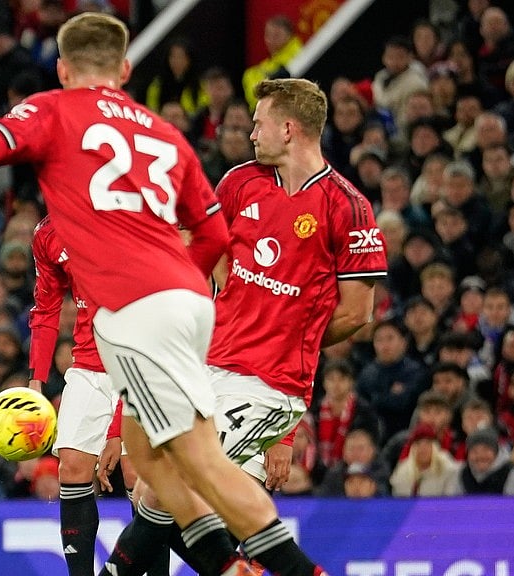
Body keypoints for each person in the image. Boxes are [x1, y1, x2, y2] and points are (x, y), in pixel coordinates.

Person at [0, 12, 315, 576]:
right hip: (188, 305)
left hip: (137, 311)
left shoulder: (56, 107)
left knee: (197, 461)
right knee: (150, 460)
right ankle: (226, 564)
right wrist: (176, 291)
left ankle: (292, 571)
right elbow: (215, 234)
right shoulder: (164, 133)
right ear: (124, 68)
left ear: (64, 68)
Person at [104, 77, 386, 575]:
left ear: (288, 128)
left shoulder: (348, 208)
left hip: (270, 385)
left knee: (168, 490)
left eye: (257, 124)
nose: (249, 133)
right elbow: (208, 244)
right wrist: (232, 304)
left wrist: (287, 336)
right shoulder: (240, 182)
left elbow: (357, 312)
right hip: (211, 368)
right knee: (154, 490)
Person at [28, 215, 165, 576]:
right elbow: (45, 308)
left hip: (142, 360)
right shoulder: (47, 234)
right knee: (72, 466)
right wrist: (36, 381)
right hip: (89, 364)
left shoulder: (127, 222)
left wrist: (117, 427)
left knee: (139, 477)